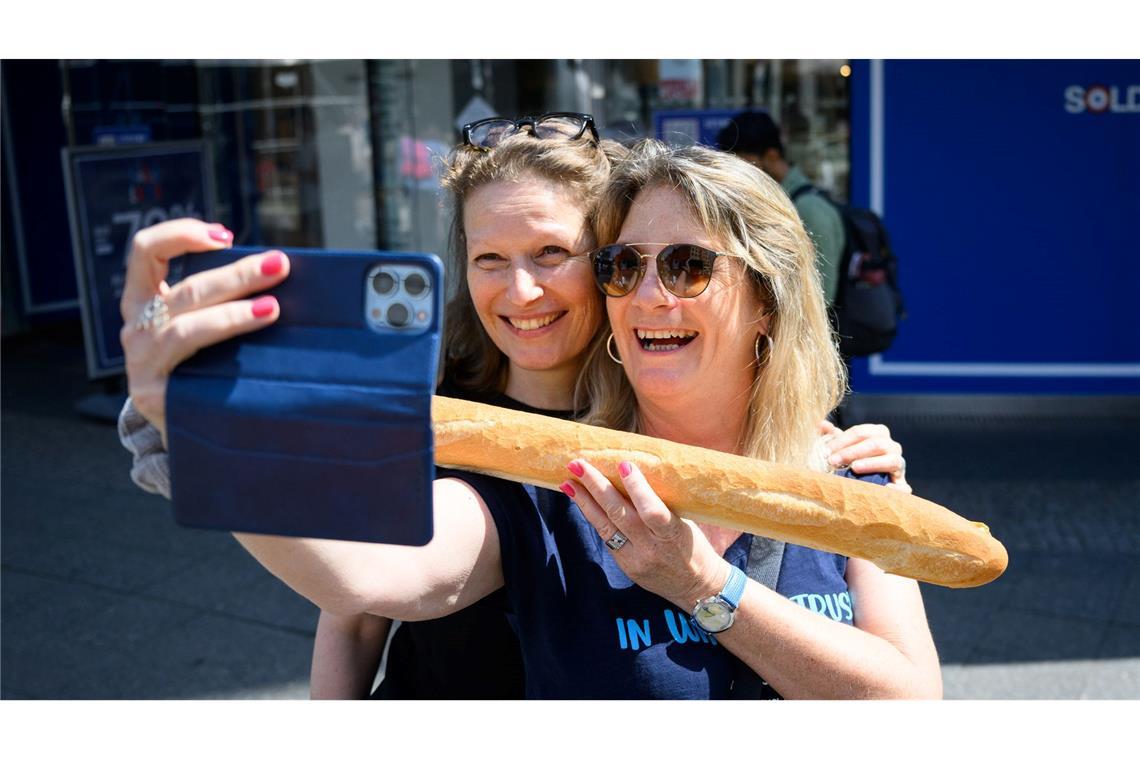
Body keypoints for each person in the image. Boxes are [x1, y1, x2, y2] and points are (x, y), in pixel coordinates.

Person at [118, 129, 927, 698]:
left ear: (768, 301)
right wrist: (203, 427)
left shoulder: (845, 470)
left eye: (686, 266)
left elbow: (907, 706)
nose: (648, 294)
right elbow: (363, 579)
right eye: (625, 266)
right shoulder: (545, 479)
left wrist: (710, 575)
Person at [715, 111, 846, 306]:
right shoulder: (773, 204)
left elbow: (821, 301)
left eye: (743, 164)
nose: (737, 175)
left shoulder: (809, 209)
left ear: (771, 156)